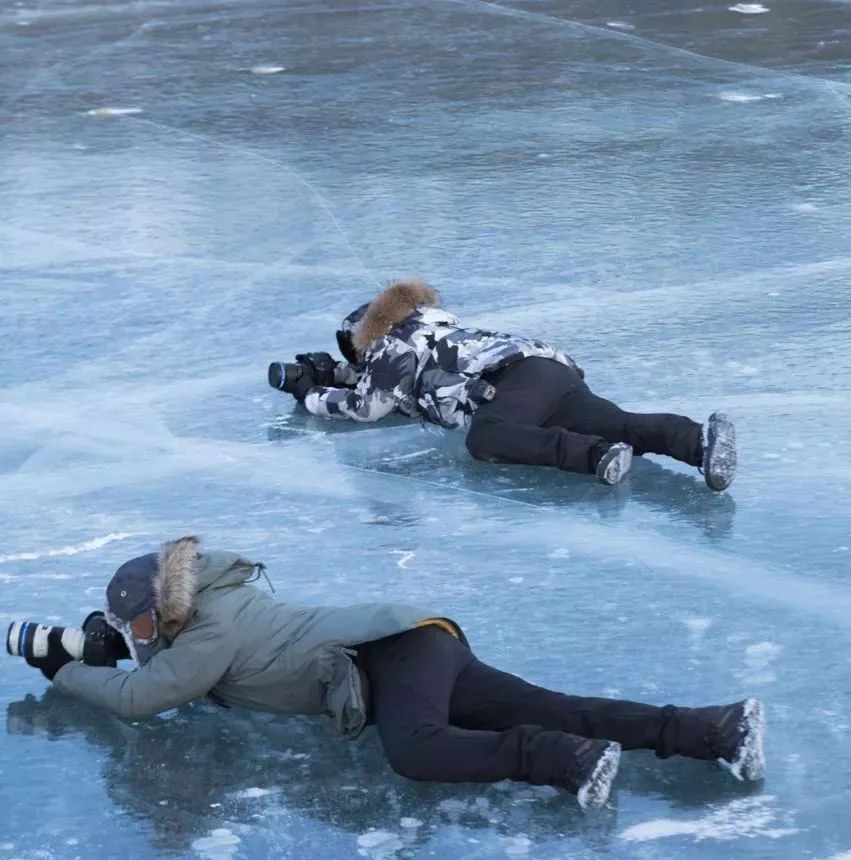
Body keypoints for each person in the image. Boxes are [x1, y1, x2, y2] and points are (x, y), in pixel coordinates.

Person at [27, 536, 765, 809]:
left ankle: (566, 761)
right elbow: (163, 668)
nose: (142, 640)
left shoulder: (209, 633)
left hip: (392, 656)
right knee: (555, 703)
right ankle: (714, 730)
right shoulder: (219, 602)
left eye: (143, 626)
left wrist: (63, 670)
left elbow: (141, 698)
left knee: (417, 751)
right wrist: (117, 640)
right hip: (417, 638)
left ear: (166, 608)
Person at [289, 279, 736, 489]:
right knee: (618, 422)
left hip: (510, 381)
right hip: (548, 371)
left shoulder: (391, 341)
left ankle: (596, 455)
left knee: (488, 437)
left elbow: (368, 406)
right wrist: (343, 377)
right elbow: (407, 391)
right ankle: (697, 440)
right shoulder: (430, 330)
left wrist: (309, 393)